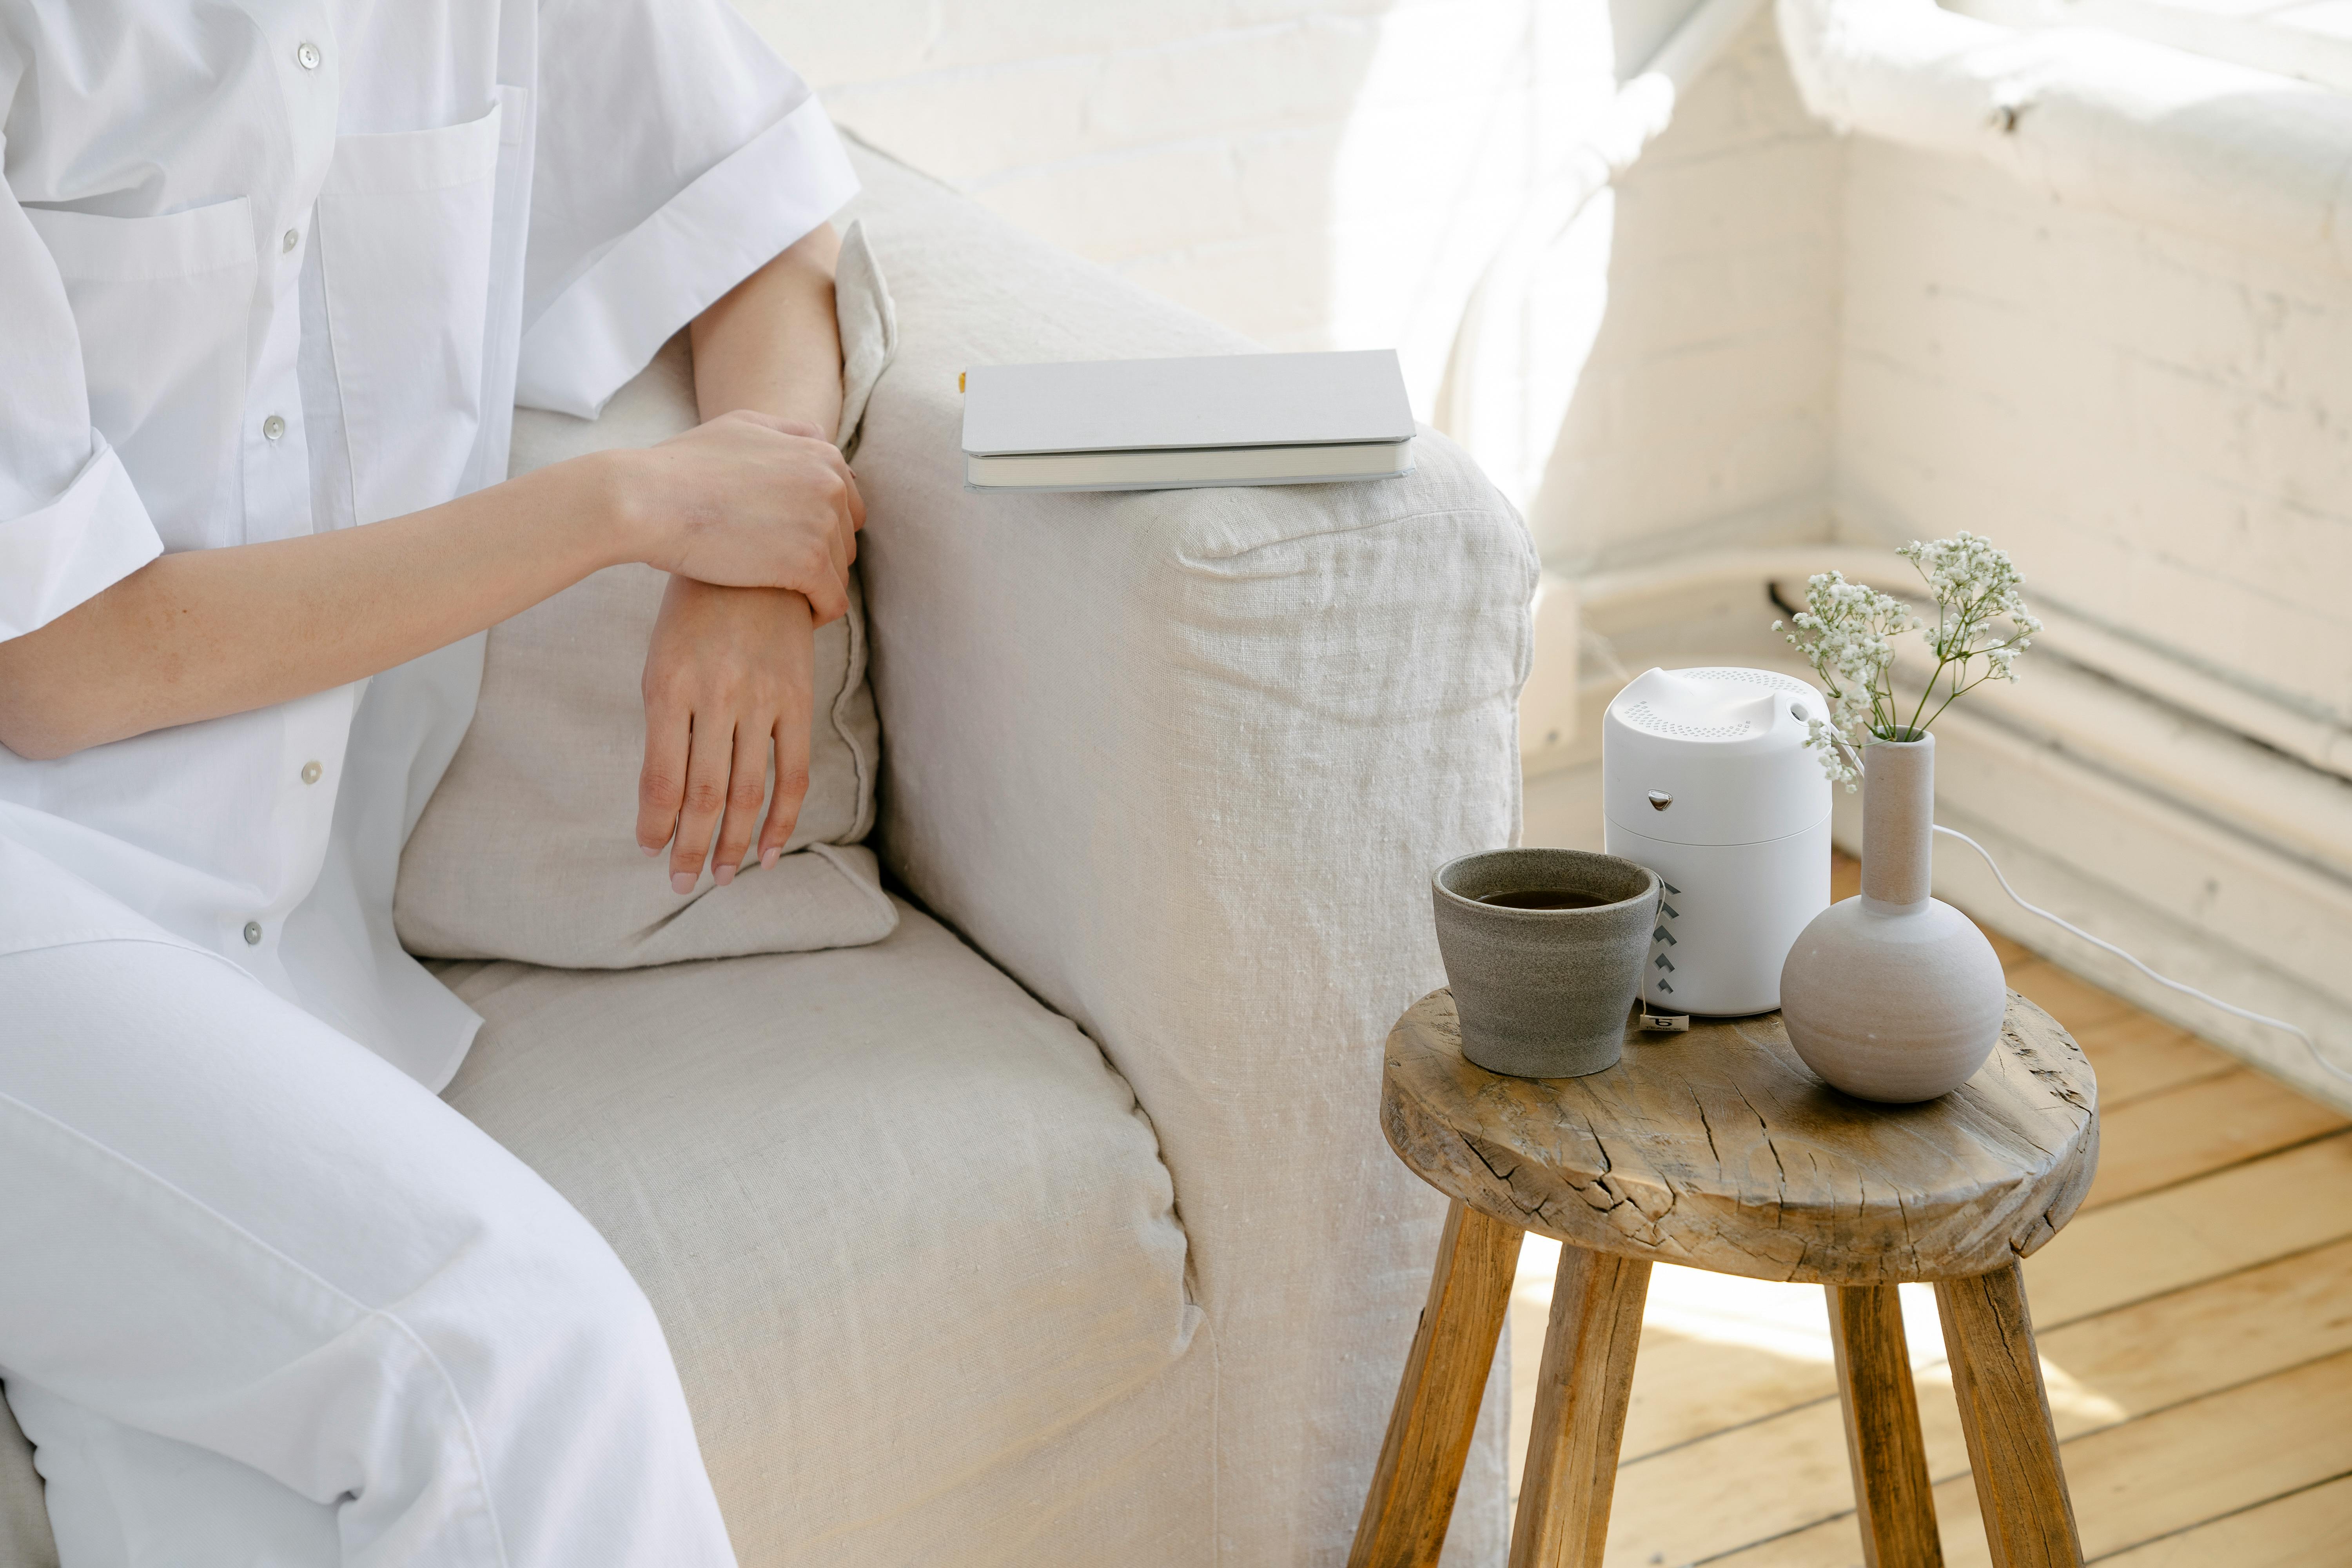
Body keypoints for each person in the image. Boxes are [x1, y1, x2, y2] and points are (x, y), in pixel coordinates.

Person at [0, 2, 865, 1561]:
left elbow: (769, 219)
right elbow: (59, 664)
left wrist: (756, 559)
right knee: (521, 1351)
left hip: (269, 977)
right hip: (35, 898)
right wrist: (634, 507)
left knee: (238, 1517)